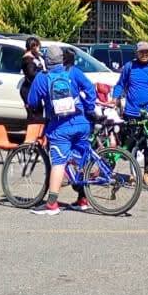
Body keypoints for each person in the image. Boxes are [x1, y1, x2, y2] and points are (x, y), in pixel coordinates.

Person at [25, 47, 98, 215]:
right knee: (80, 160)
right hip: (82, 123)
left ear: (46, 61)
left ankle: (51, 204)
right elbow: (90, 89)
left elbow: (33, 101)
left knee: (58, 162)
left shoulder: (42, 78)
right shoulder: (73, 72)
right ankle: (82, 199)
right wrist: (89, 108)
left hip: (60, 127)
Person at [113, 41, 148, 184]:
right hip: (131, 112)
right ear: (136, 53)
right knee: (131, 144)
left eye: (146, 52)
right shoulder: (129, 67)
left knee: (146, 145)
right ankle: (133, 172)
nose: (144, 54)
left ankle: (147, 173)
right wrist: (115, 97)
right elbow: (120, 84)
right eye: (141, 52)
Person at [19, 36, 47, 123]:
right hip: (29, 90)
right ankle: (32, 134)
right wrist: (42, 72)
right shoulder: (28, 59)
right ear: (33, 46)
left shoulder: (36, 57)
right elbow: (31, 74)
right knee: (34, 115)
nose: (39, 48)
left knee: (38, 112)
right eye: (38, 46)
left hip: (34, 88)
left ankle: (36, 132)